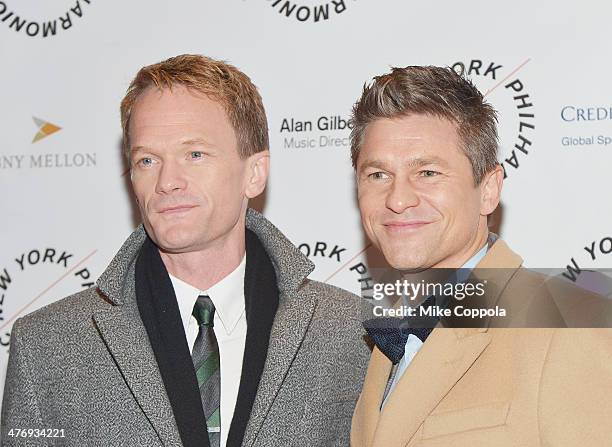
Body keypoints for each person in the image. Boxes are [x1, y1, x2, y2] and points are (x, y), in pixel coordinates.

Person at [1, 54, 369, 447]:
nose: (167, 181)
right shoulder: (46, 344)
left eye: (194, 154)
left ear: (254, 172)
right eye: (147, 160)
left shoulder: (353, 332)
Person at [348, 66, 612, 446]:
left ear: (488, 190)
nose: (397, 199)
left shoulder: (570, 329)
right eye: (377, 175)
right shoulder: (386, 342)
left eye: (427, 172)